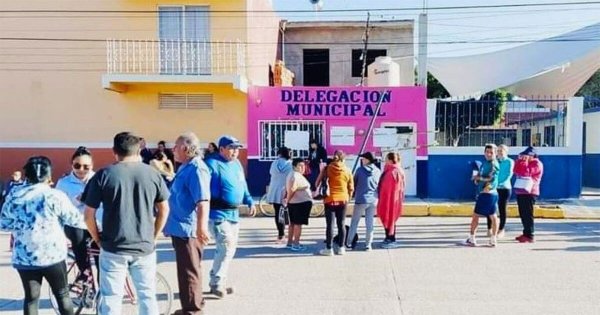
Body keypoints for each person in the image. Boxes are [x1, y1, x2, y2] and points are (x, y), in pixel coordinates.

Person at [82, 132, 170, 315]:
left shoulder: (103, 175)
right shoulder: (153, 174)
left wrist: (97, 239)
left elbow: (88, 215)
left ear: (114, 151)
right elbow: (164, 210)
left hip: (113, 246)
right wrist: (154, 236)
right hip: (144, 246)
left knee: (111, 296)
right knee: (147, 295)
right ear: (138, 150)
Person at [1, 156, 87, 315]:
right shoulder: (55, 196)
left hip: (25, 256)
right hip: (53, 256)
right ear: (49, 176)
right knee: (62, 296)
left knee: (31, 298)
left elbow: (3, 223)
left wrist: (24, 226)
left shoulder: (15, 196)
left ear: (27, 175)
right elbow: (75, 220)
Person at [163, 132, 211, 315]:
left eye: (175, 146)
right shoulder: (185, 166)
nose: (172, 150)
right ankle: (191, 304)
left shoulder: (197, 169)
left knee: (189, 270)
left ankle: (193, 310)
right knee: (186, 270)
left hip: (188, 229)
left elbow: (203, 201)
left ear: (184, 148)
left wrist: (201, 227)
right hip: (179, 227)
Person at [205, 135, 256, 298]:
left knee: (230, 249)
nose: (235, 151)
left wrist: (249, 201)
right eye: (232, 148)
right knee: (226, 246)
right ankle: (217, 282)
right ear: (221, 149)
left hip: (233, 214)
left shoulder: (236, 164)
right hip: (217, 214)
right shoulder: (212, 164)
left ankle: (218, 280)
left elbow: (243, 184)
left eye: (237, 148)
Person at [55, 146, 102, 283]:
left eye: (86, 167)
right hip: (75, 224)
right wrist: (77, 200)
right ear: (72, 165)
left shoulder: (99, 179)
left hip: (96, 223)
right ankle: (84, 271)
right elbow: (58, 207)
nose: (81, 170)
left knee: (101, 257)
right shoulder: (63, 183)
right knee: (78, 236)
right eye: (77, 165)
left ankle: (100, 291)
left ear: (92, 166)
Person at [316, 150, 354, 256]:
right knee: (341, 224)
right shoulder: (347, 170)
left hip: (329, 199)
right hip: (343, 199)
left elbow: (317, 183)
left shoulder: (327, 168)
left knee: (330, 225)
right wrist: (348, 198)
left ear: (333, 157)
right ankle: (341, 248)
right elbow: (351, 187)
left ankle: (329, 248)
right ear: (343, 159)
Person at [464, 144, 500, 247]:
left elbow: (491, 178)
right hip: (484, 192)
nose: (488, 154)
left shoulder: (494, 164)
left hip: (488, 193)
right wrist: (476, 178)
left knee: (477, 215)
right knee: (492, 216)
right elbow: (482, 175)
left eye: (491, 152)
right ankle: (492, 239)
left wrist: (479, 179)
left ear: (495, 153)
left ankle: (473, 238)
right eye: (487, 152)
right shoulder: (485, 163)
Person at [347, 152, 381, 251]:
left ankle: (348, 243)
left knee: (354, 222)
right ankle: (368, 245)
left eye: (363, 159)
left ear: (367, 160)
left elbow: (354, 183)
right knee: (370, 223)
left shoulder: (360, 170)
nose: (362, 160)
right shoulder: (378, 171)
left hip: (361, 199)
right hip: (373, 200)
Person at [513, 146, 544, 243]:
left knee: (528, 214)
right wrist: (519, 161)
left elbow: (526, 172)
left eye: (528, 155)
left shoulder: (537, 163)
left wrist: (524, 162)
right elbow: (516, 170)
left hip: (530, 192)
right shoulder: (526, 162)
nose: (526, 157)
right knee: (522, 213)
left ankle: (530, 234)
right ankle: (525, 232)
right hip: (521, 191)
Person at [377, 152, 406, 249]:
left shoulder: (394, 172)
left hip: (391, 200)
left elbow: (390, 189)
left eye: (386, 158)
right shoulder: (394, 170)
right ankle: (388, 237)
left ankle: (391, 238)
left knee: (389, 218)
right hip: (390, 199)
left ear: (390, 160)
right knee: (389, 218)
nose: (385, 160)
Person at [284, 158, 313, 251]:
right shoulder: (295, 175)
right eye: (300, 166)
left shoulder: (295, 175)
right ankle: (296, 244)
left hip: (297, 203)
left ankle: (290, 243)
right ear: (294, 167)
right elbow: (292, 189)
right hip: (298, 203)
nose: (302, 168)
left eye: (303, 165)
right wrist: (287, 200)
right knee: (297, 224)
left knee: (292, 224)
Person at [486, 144, 514, 238]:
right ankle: (489, 228)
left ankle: (501, 229)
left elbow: (508, 175)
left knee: (502, 209)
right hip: (494, 188)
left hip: (505, 188)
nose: (499, 153)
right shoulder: (494, 161)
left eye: (501, 151)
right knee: (490, 208)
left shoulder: (510, 161)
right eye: (498, 151)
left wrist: (497, 183)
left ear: (506, 152)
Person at [265, 147, 293, 243]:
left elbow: (270, 173)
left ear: (279, 154)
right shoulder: (290, 164)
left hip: (274, 190)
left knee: (278, 212)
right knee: (286, 212)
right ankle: (288, 233)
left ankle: (280, 234)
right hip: (285, 190)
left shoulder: (274, 163)